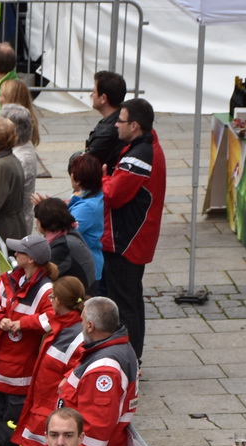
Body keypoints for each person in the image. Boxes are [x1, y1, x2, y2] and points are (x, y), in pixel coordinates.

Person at [0, 232, 57, 446]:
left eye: (20, 251)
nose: (14, 253)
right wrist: (0, 319)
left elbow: (51, 319)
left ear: (31, 259)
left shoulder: (46, 290)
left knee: (11, 436)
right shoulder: (9, 279)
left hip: (20, 378)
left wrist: (21, 323)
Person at [99, 97, 163, 358]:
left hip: (127, 241)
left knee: (125, 306)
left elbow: (113, 194)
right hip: (134, 238)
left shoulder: (140, 155)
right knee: (132, 301)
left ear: (134, 125)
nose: (116, 125)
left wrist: (104, 176)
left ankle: (130, 361)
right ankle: (133, 358)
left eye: (121, 121)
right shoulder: (144, 146)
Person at [55, 295, 138, 446]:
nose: (81, 324)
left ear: (90, 326)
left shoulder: (104, 370)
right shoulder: (110, 348)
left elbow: (94, 435)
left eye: (82, 320)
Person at [8, 277, 86, 446]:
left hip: (52, 416)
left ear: (58, 301)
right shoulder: (62, 325)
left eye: (52, 297)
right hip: (44, 413)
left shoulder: (75, 336)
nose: (50, 301)